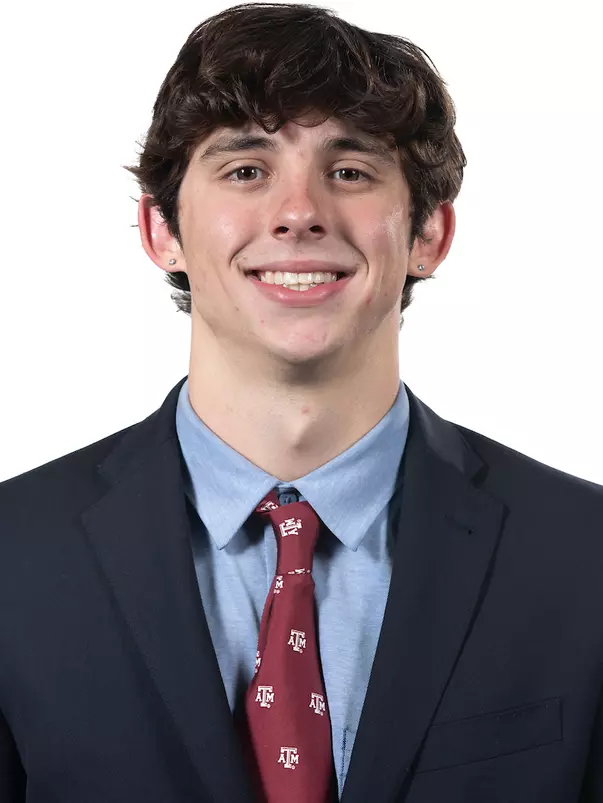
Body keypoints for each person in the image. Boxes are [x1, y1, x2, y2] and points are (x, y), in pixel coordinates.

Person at [1, 3, 602, 802]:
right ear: (159, 231)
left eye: (348, 171)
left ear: (429, 234)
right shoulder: (14, 558)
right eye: (246, 170)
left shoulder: (582, 557)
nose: (299, 212)